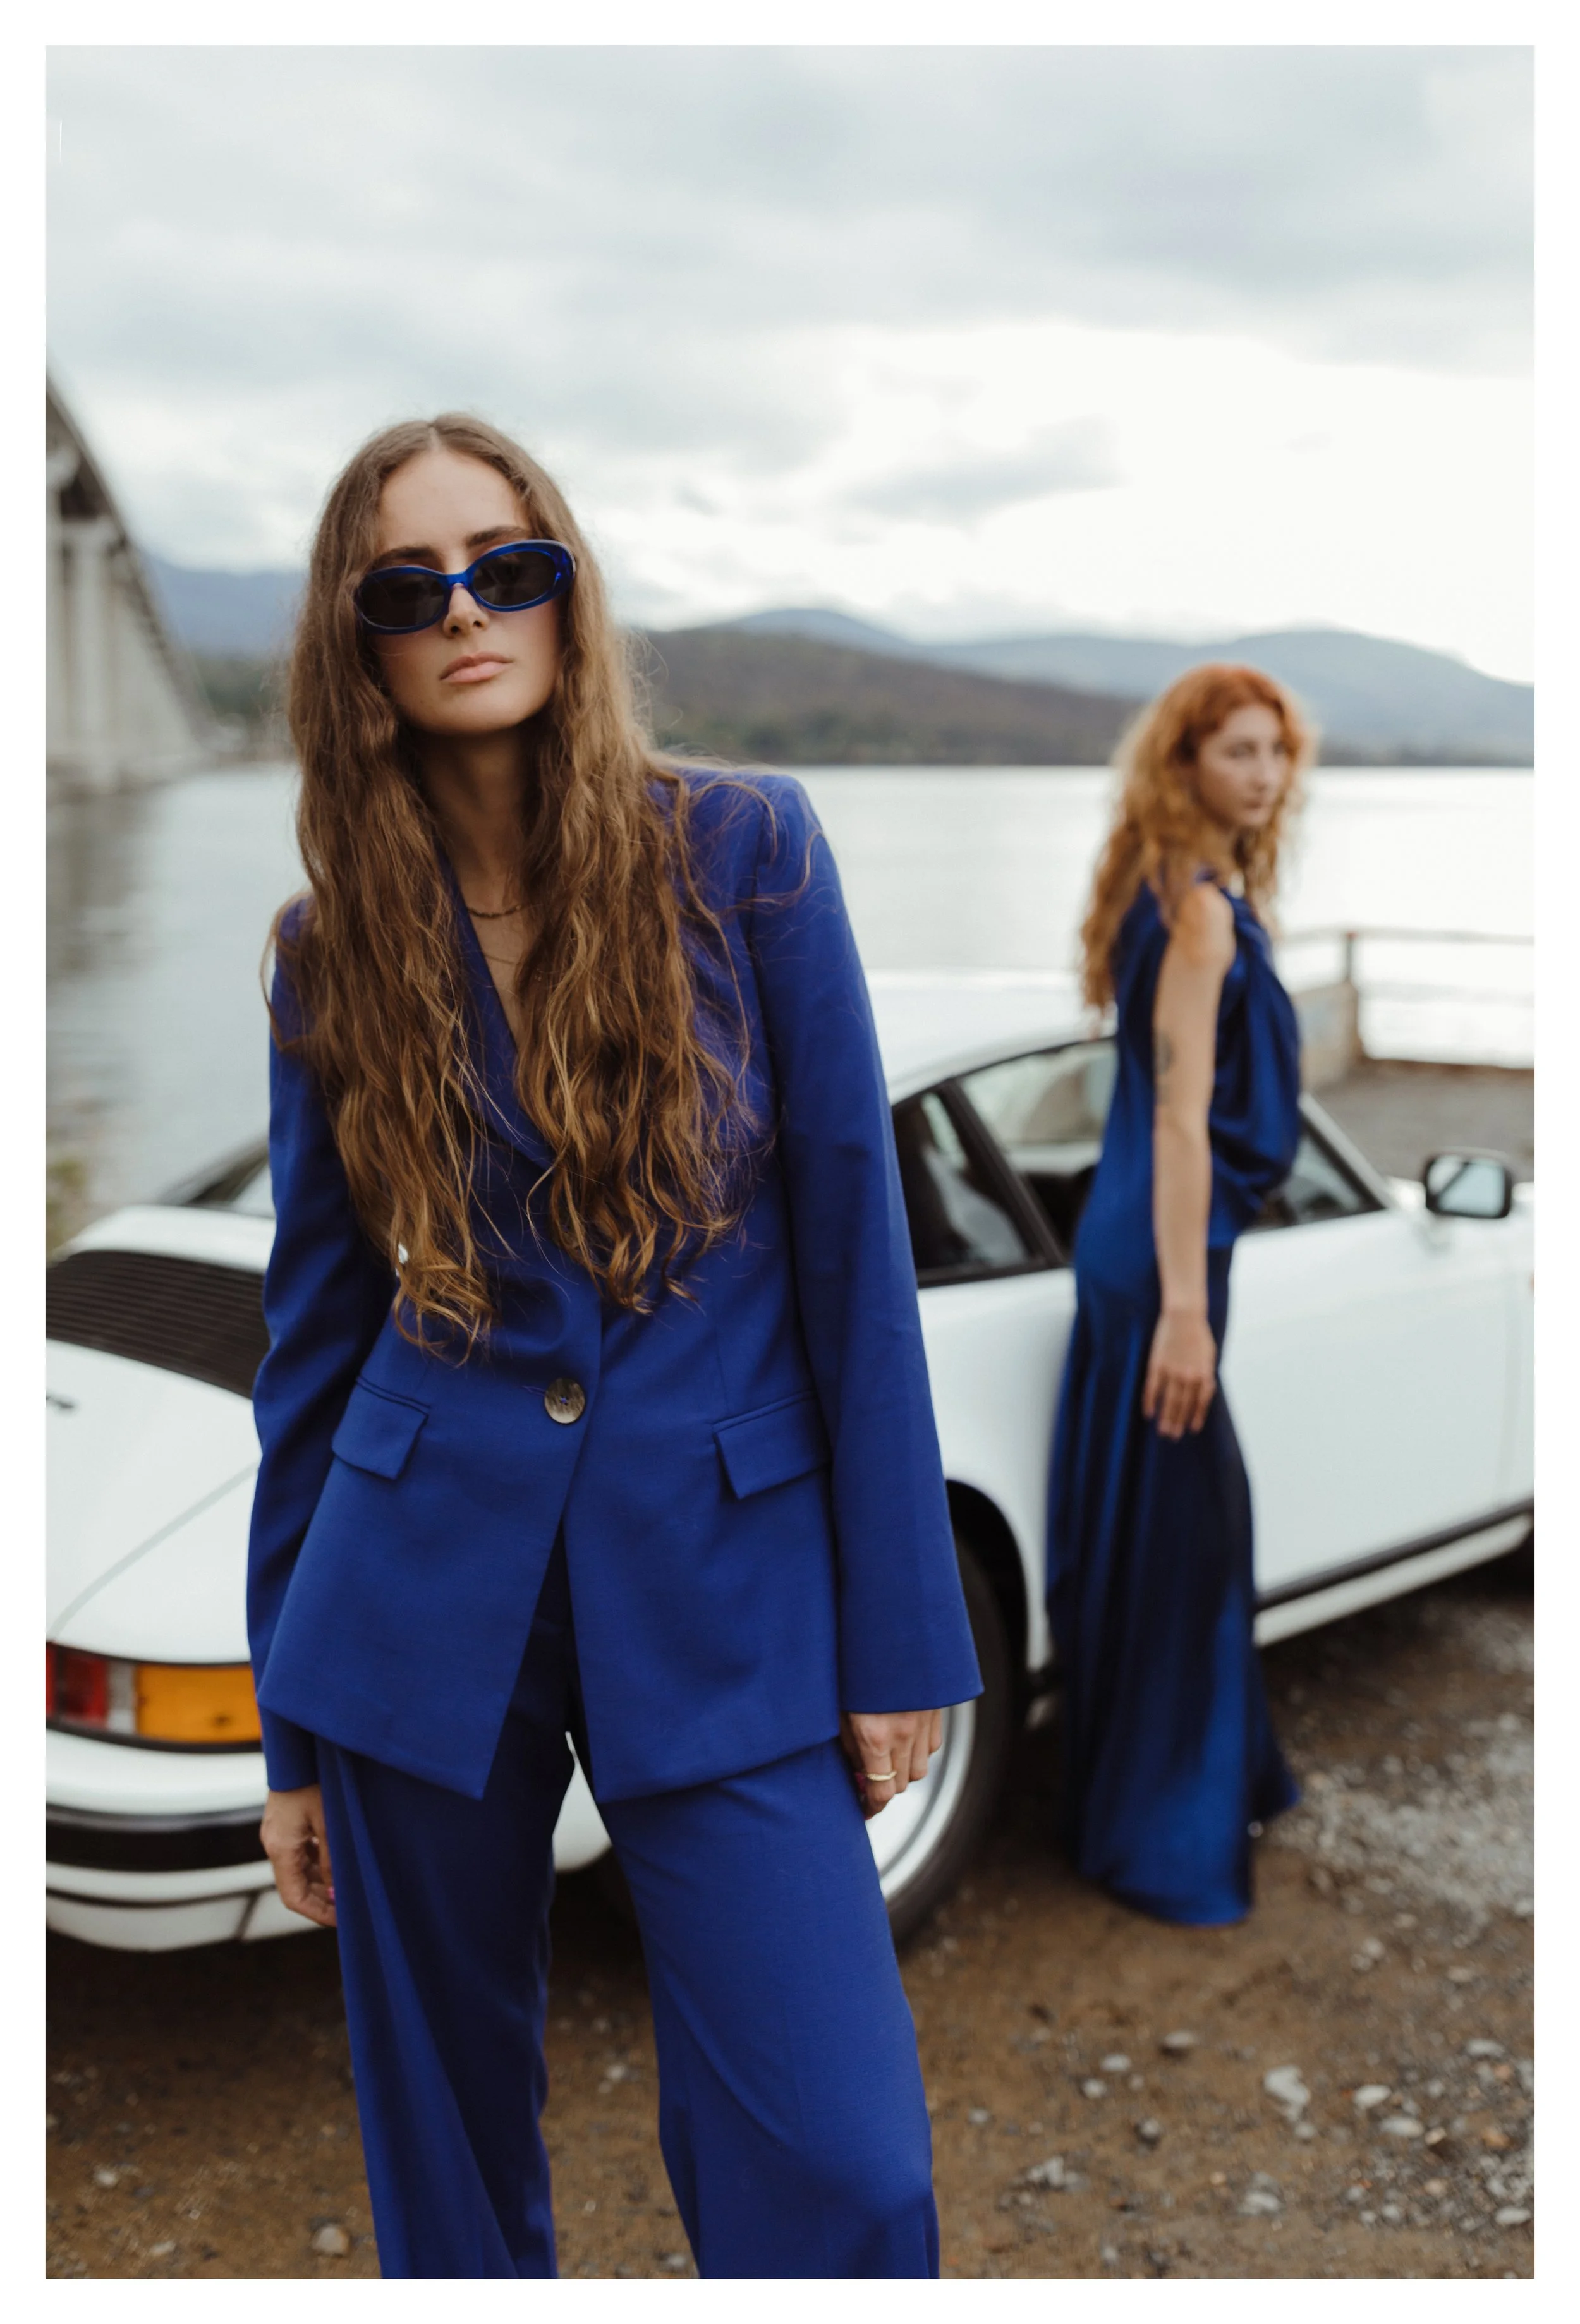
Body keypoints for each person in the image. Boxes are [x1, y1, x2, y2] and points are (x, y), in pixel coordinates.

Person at [246, 413, 981, 2279]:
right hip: (414, 1609)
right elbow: (314, 1337)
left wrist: (894, 1631)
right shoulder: (328, 950)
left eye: (508, 564)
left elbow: (854, 1258)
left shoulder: (745, 852)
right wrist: (289, 1730)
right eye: (409, 588)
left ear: (569, 587)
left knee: (846, 2167)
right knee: (449, 2184)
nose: (466, 609)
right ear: (361, 647)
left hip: (725, 1580)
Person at [1047, 664, 1311, 1926]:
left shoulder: (1171, 891)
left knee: (1155, 1535)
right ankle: (1156, 1837)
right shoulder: (1196, 911)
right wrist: (1185, 1311)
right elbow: (1175, 1116)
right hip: (1164, 1253)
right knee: (1184, 1547)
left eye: (1274, 752)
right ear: (1185, 764)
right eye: (1236, 751)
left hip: (1137, 1241)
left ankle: (1162, 1791)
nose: (1262, 774)